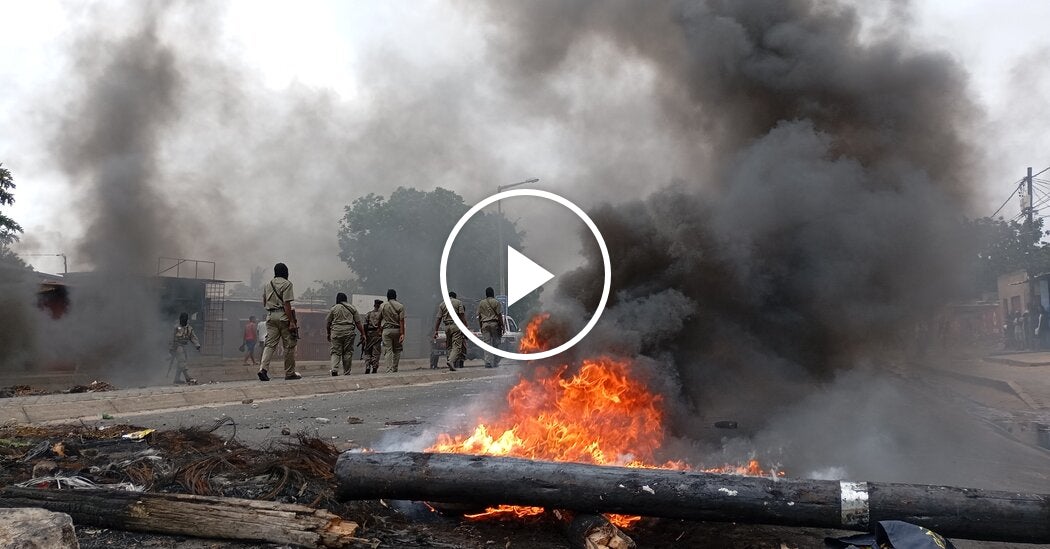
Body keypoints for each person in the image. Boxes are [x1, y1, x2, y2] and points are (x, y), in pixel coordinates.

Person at [259, 262, 300, 381]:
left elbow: (264, 302)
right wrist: (291, 321)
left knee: (270, 344)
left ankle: (263, 369)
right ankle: (289, 372)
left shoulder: (268, 284)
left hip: (270, 316)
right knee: (289, 345)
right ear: (286, 272)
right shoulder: (287, 284)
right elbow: (287, 304)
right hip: (283, 316)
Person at [327, 292, 365, 376]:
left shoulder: (333, 308)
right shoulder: (352, 308)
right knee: (347, 352)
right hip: (349, 332)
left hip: (336, 331)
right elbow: (358, 323)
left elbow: (328, 323)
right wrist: (363, 334)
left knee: (335, 352)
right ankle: (347, 371)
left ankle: (334, 369)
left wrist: (328, 333)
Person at [433, 291, 466, 371]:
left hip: (446, 327)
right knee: (457, 346)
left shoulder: (442, 304)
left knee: (449, 346)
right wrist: (465, 327)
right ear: (455, 297)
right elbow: (462, 316)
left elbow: (438, 318)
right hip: (456, 325)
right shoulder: (458, 303)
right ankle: (451, 361)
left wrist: (436, 330)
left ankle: (449, 360)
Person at [477, 287, 504, 368]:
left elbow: (479, 316)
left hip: (484, 324)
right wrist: (502, 325)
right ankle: (496, 361)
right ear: (493, 293)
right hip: (494, 324)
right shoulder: (496, 302)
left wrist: (480, 326)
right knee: (496, 343)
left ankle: (487, 362)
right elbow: (499, 315)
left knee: (486, 344)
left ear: (486, 294)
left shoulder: (481, 303)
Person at [170, 312, 200, 385]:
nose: (183, 320)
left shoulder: (189, 328)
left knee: (180, 363)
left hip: (184, 346)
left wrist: (197, 345)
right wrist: (171, 348)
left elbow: (193, 337)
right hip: (177, 346)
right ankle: (188, 378)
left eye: (184, 319)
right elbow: (171, 338)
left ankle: (176, 379)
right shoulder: (176, 327)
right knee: (182, 362)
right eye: (182, 318)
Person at [380, 289, 406, 372]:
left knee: (388, 350)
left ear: (387, 296)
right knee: (397, 350)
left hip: (386, 331)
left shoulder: (383, 306)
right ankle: (395, 368)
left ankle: (389, 369)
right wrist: (402, 333)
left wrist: (379, 329)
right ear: (395, 296)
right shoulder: (400, 306)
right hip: (397, 330)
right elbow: (401, 320)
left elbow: (379, 319)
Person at [362, 299, 383, 374]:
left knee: (367, 351)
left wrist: (364, 335)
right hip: (377, 334)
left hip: (369, 334)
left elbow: (364, 325)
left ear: (374, 305)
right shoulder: (381, 315)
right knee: (376, 352)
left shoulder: (368, 314)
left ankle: (367, 366)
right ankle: (374, 367)